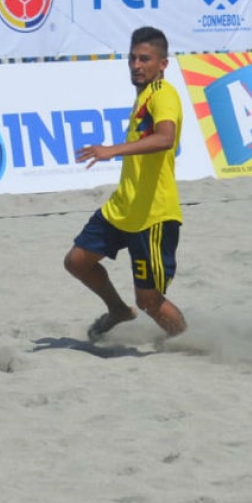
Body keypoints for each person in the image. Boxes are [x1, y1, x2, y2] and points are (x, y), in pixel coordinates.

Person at [65, 26, 187, 342]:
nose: (136, 65)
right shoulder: (143, 96)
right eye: (132, 58)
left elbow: (165, 138)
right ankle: (117, 311)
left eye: (145, 59)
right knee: (77, 262)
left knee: (148, 301)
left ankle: (189, 343)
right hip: (124, 207)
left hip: (153, 215)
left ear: (163, 64)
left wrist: (111, 151)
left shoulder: (163, 94)